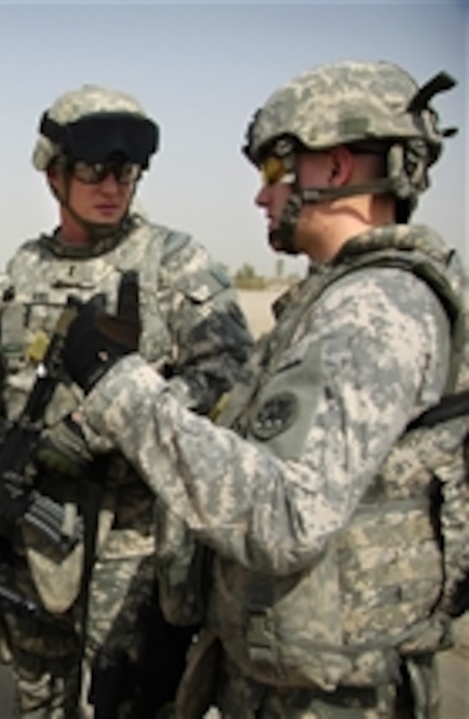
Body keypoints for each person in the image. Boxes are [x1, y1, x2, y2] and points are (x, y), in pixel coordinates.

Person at [52, 60, 465, 717]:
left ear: (334, 168)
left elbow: (282, 516)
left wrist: (118, 386)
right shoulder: (333, 301)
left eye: (274, 171)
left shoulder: (374, 312)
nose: (261, 196)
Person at [0, 84, 254, 718]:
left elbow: (228, 379)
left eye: (126, 170)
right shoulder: (15, 278)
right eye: (93, 169)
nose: (112, 185)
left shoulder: (178, 266)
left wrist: (103, 429)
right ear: (55, 174)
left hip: (137, 542)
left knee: (132, 699)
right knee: (38, 693)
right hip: (33, 538)